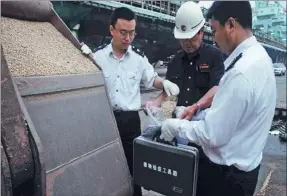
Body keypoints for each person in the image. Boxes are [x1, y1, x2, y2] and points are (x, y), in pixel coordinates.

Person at [159, 1, 276, 196]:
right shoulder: (258, 58)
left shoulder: (238, 70)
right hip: (232, 161)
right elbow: (231, 112)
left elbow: (212, 134)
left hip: (225, 176)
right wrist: (179, 112)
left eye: (214, 31)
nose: (215, 39)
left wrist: (175, 125)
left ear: (230, 25)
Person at [81, 7, 179, 196]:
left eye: (132, 33)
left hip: (130, 123)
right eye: (123, 32)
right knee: (104, 169)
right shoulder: (98, 57)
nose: (128, 38)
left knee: (134, 172)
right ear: (112, 30)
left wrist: (164, 83)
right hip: (104, 121)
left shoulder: (139, 59)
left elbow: (152, 80)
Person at [146, 1, 225, 121]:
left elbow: (217, 89)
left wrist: (195, 107)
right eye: (183, 39)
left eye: (191, 38)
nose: (187, 43)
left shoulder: (214, 56)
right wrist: (156, 105)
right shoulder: (175, 61)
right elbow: (169, 94)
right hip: (179, 122)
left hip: (203, 124)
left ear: (201, 32)